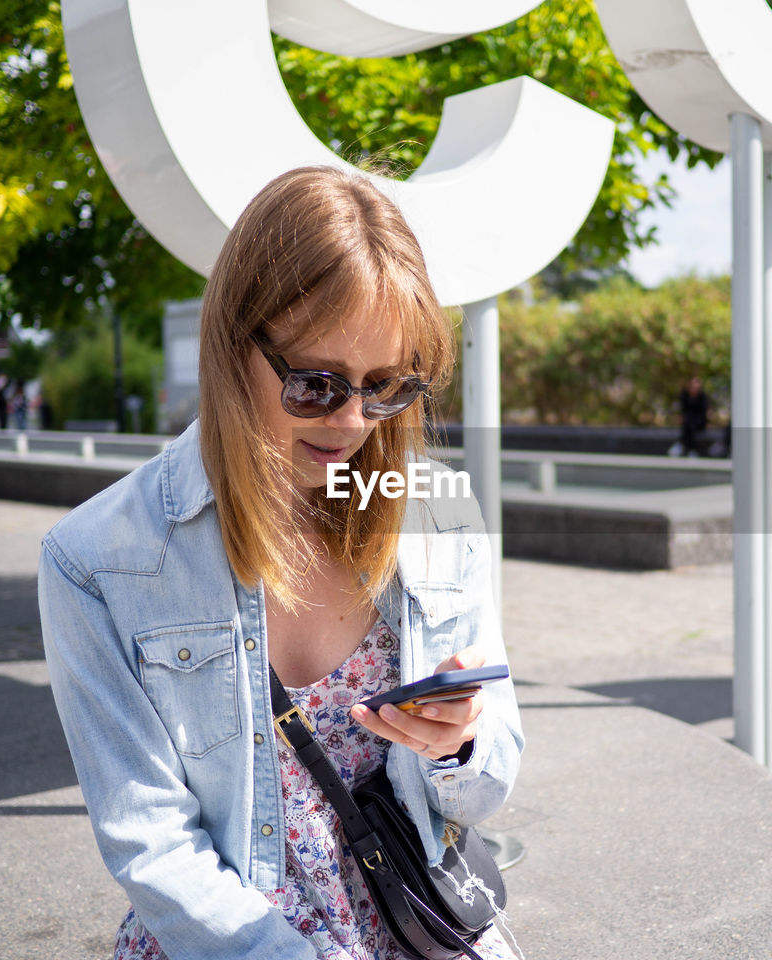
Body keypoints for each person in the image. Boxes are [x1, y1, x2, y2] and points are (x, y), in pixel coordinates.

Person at [38, 166, 523, 960]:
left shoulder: (437, 513)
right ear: (235, 347)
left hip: (421, 929)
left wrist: (459, 744)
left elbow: (490, 784)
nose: (351, 421)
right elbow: (152, 848)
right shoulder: (96, 561)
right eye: (315, 383)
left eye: (384, 388)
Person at [670, 374, 709, 457]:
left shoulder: (702, 397)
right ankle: (692, 450)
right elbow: (682, 410)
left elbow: (703, 412)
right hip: (687, 422)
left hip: (699, 422)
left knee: (690, 424)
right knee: (688, 424)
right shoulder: (684, 395)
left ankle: (682, 445)